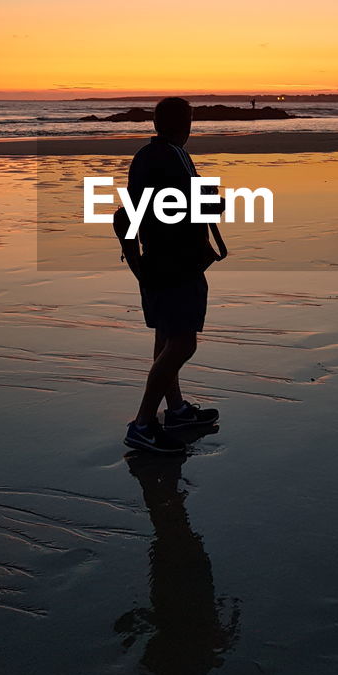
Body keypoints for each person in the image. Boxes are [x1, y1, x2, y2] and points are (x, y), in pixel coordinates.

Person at [123, 97, 224, 453]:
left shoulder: (146, 155)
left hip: (156, 261)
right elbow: (181, 208)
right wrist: (212, 202)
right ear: (188, 123)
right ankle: (143, 423)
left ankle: (176, 409)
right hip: (176, 263)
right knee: (182, 343)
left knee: (167, 338)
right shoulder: (172, 156)